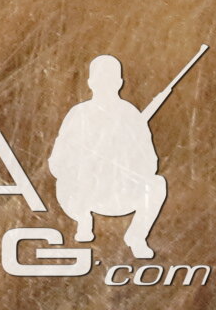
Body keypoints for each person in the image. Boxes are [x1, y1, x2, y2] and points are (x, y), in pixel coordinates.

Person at [51, 55, 169, 259]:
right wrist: (84, 166)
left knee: (157, 184)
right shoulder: (78, 114)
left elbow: (150, 163)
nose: (105, 84)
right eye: (100, 79)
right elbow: (57, 161)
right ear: (90, 83)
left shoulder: (130, 115)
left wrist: (126, 158)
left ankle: (137, 237)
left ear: (119, 83)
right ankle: (83, 221)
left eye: (110, 79)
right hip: (85, 192)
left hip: (120, 192)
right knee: (65, 183)